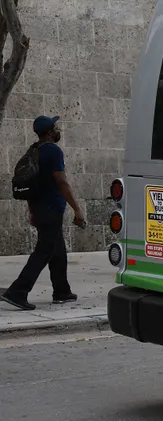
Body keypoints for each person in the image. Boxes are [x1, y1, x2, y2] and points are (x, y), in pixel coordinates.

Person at [2, 116, 84, 310]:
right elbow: (62, 182)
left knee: (58, 250)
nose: (58, 130)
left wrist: (32, 211)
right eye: (55, 127)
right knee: (44, 251)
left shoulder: (34, 150)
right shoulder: (53, 151)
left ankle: (62, 291)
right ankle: (17, 292)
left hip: (40, 208)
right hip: (51, 209)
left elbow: (32, 184)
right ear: (49, 132)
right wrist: (77, 209)